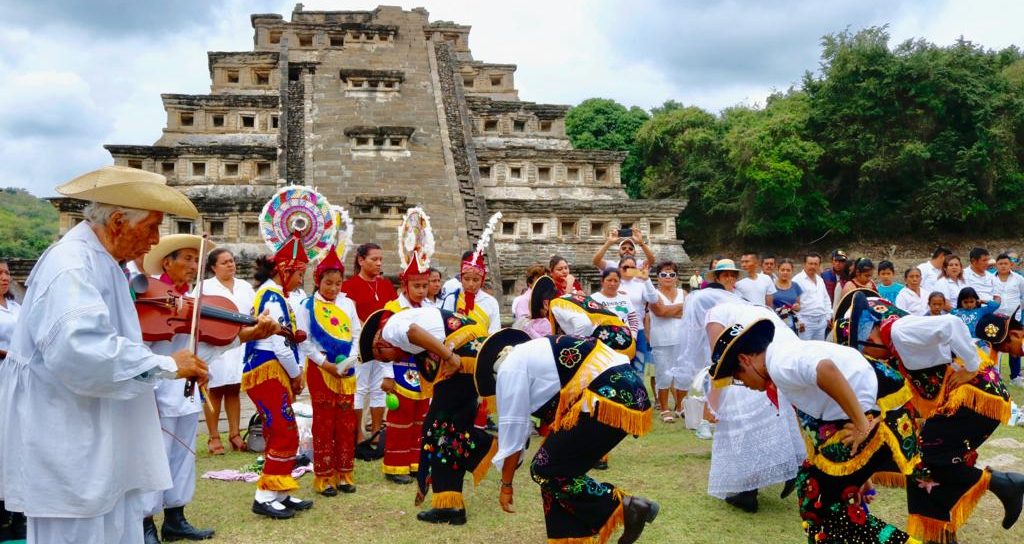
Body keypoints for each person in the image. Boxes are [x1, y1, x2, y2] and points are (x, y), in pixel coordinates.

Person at [0, 166, 210, 543]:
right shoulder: (72, 265)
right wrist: (164, 364)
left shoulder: (105, 264)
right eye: (151, 227)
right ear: (117, 221)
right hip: (72, 444)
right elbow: (81, 351)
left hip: (98, 438)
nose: (153, 241)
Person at [708, 320, 921, 544]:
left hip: (880, 417)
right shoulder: (782, 357)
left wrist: (860, 425)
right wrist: (858, 474)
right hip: (879, 413)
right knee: (818, 494)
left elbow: (825, 369)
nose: (744, 383)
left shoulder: (780, 363)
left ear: (745, 359)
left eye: (738, 377)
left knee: (820, 504)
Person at [835, 291, 1024, 542]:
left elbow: (952, 324)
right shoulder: (893, 348)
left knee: (919, 458)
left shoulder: (901, 331)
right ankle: (941, 534)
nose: (871, 358)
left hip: (975, 401)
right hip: (962, 406)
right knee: (923, 468)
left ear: (869, 337)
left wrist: (970, 367)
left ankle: (1000, 484)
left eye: (865, 350)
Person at [140, 234, 271, 542]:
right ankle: (145, 522)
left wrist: (248, 335)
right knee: (152, 458)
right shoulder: (147, 297)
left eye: (194, 259)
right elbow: (140, 348)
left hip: (187, 393)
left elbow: (206, 348)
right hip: (157, 392)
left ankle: (175, 518)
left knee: (183, 456)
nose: (193, 264)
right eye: (186, 258)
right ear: (166, 261)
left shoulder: (195, 303)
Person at [477, 330, 659, 544]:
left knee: (543, 469)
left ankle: (626, 506)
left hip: (605, 397)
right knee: (558, 471)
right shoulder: (534, 351)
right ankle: (570, 539)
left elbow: (514, 431)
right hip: (626, 391)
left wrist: (506, 484)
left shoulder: (509, 369)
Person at [359, 307, 495, 525]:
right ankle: (450, 503)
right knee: (450, 430)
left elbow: (413, 331)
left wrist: (449, 357)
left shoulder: (390, 328)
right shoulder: (401, 325)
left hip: (461, 353)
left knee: (438, 430)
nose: (388, 362)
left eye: (382, 357)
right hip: (470, 351)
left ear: (379, 343)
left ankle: (493, 446)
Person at [702, 302, 806, 513]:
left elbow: (720, 363)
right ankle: (789, 468)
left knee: (743, 426)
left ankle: (749, 491)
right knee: (778, 418)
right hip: (777, 358)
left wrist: (711, 405)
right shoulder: (749, 307)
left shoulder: (713, 316)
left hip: (756, 364)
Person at [243, 234, 317, 519]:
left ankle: (280, 492)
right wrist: (297, 375)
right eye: (299, 274)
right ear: (285, 271)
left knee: (284, 430)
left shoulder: (273, 294)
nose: (301, 281)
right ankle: (264, 496)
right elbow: (280, 344)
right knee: (283, 430)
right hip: (268, 371)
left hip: (271, 373)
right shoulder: (272, 298)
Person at [295, 245, 361, 497]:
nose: (334, 289)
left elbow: (355, 333)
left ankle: (344, 473)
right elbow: (304, 340)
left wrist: (351, 358)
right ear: (317, 280)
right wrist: (326, 364)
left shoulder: (348, 305)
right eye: (328, 283)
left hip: (346, 371)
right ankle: (324, 476)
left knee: (346, 422)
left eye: (338, 283)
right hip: (322, 371)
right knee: (324, 422)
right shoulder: (307, 306)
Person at [380, 209, 435, 484]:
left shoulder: (430, 308)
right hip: (399, 370)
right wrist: (387, 376)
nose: (422, 291)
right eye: (417, 286)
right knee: (400, 420)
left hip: (423, 371)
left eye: (425, 286)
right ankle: (395, 465)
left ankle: (415, 462)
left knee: (421, 421)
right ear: (405, 284)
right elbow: (380, 345)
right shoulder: (392, 309)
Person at [673, 259, 744, 440]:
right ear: (718, 277)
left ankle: (723, 423)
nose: (729, 278)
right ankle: (705, 422)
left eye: (732, 275)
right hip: (711, 346)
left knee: (732, 386)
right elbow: (694, 320)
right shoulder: (704, 296)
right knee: (713, 383)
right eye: (725, 275)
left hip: (734, 345)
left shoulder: (739, 297)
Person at [341, 243, 397, 449]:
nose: (379, 263)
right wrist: (369, 335)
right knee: (359, 388)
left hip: (383, 345)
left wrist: (383, 337)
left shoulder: (386, 286)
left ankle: (375, 432)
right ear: (361, 260)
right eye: (374, 259)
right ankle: (357, 434)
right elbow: (352, 318)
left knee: (379, 388)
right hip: (360, 344)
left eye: (380, 259)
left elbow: (392, 313)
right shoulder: (350, 286)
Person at [200, 248, 256, 455]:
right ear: (214, 267)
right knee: (215, 390)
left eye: (232, 261)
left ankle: (235, 433)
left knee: (234, 388)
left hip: (239, 343)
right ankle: (214, 437)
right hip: (215, 343)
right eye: (225, 262)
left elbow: (252, 312)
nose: (230, 265)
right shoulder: (205, 286)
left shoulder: (244, 286)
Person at [529, 275, 636, 359]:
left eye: (543, 313)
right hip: (621, 337)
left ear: (545, 304)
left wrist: (577, 348)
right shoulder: (567, 299)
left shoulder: (556, 305)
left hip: (614, 342)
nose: (546, 318)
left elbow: (584, 324)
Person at [0, 259, 23, 541]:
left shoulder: (16, 307)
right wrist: (11, 355)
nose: (4, 278)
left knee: (15, 440)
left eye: (6, 272)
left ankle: (17, 510)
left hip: (18, 381)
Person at [649, 261, 686, 422]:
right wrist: (680, 308)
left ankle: (680, 406)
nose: (668, 277)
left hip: (682, 339)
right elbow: (660, 311)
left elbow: (689, 312)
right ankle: (664, 408)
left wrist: (668, 311)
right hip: (661, 340)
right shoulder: (653, 294)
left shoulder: (683, 292)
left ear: (676, 277)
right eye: (664, 274)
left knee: (682, 375)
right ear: (658, 278)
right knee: (663, 375)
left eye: (672, 274)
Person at [993, 253, 1024, 385]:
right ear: (996, 265)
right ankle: (996, 376)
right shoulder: (990, 279)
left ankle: (1015, 377)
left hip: (1014, 318)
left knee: (1015, 347)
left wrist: (1019, 310)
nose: (1003, 266)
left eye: (1006, 263)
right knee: (996, 348)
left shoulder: (1018, 279)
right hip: (995, 318)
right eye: (1000, 263)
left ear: (1011, 264)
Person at [588, 268, 640, 337]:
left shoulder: (625, 298)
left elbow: (633, 320)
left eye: (616, 281)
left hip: (626, 340)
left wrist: (633, 336)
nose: (612, 284)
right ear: (602, 281)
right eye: (609, 280)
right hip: (601, 340)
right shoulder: (593, 299)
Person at [792, 253, 831, 341]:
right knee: (805, 351)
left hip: (821, 322)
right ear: (804, 264)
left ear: (819, 265)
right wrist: (799, 321)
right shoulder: (796, 280)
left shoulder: (820, 280)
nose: (813, 266)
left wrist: (828, 316)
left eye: (815, 264)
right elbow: (793, 303)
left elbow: (826, 299)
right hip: (805, 323)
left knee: (819, 350)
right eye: (810, 263)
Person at [772, 258, 802, 334]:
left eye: (788, 270)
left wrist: (797, 307)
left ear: (792, 271)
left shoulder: (795, 286)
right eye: (782, 270)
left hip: (791, 322)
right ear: (777, 270)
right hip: (776, 321)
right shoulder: (771, 286)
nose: (785, 272)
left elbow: (799, 306)